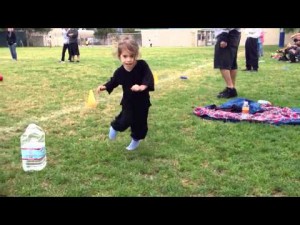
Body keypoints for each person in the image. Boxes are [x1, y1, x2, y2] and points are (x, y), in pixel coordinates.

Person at [96, 36, 155, 151]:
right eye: (125, 56)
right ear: (119, 56)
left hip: (142, 102)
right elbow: (113, 81)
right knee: (125, 120)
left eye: (132, 56)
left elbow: (148, 77)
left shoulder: (142, 65)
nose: (128, 59)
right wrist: (105, 86)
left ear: (136, 55)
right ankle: (114, 127)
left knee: (140, 123)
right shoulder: (120, 72)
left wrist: (141, 87)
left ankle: (135, 140)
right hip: (128, 102)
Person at [214, 28, 241, 98]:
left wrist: (224, 38)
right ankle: (232, 88)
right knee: (232, 63)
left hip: (227, 34)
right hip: (234, 34)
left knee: (223, 63)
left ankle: (230, 88)